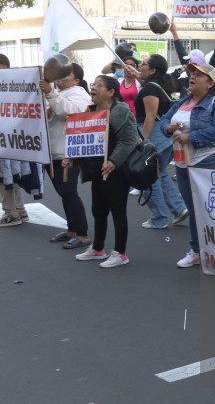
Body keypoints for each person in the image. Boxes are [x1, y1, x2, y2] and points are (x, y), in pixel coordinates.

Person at [160, 63, 215, 268]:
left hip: (209, 161)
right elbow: (164, 120)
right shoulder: (182, 101)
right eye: (192, 73)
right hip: (183, 163)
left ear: (210, 83)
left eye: (199, 75)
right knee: (193, 209)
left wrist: (190, 137)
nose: (192, 77)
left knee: (214, 211)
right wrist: (169, 129)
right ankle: (197, 251)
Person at [69, 75, 138, 268]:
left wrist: (114, 161)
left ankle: (120, 253)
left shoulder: (120, 111)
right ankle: (98, 249)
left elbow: (129, 140)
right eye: (93, 84)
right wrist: (71, 157)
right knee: (98, 211)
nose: (93, 87)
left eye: (98, 85)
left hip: (116, 171)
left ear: (111, 92)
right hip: (96, 170)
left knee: (117, 211)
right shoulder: (89, 111)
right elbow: (82, 141)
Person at [39, 63, 92, 249]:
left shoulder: (79, 93)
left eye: (65, 74)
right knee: (63, 193)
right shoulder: (58, 93)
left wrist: (51, 94)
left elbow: (71, 112)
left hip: (67, 153)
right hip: (53, 151)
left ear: (76, 80)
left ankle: (82, 234)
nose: (60, 77)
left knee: (69, 193)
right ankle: (71, 229)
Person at [133, 54, 189, 229]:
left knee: (149, 177)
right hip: (164, 137)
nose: (140, 66)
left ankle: (159, 218)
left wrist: (142, 140)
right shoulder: (158, 86)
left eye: (143, 64)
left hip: (154, 136)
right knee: (160, 173)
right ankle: (179, 208)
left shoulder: (150, 88)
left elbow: (150, 116)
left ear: (152, 70)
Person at [0, 54, 29, 227]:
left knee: (5, 177)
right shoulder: (15, 86)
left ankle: (11, 213)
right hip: (14, 139)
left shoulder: (9, 87)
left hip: (7, 140)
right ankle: (20, 210)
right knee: (13, 175)